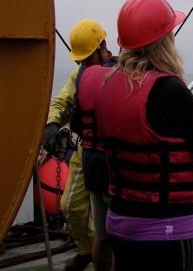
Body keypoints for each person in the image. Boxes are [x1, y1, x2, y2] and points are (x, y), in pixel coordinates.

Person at [78, 0, 193, 271]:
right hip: (166, 229)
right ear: (164, 41)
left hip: (120, 222)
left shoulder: (104, 86)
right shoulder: (170, 90)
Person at [43, 18, 113, 271]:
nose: (82, 63)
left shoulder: (121, 71)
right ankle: (87, 252)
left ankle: (101, 257)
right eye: (78, 60)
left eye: (85, 58)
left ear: (102, 48)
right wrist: (52, 125)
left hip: (115, 154)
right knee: (70, 206)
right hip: (86, 150)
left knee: (109, 220)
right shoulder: (81, 74)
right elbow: (62, 101)